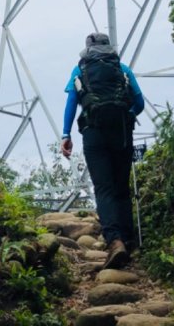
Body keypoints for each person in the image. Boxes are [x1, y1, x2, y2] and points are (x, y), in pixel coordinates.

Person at [60, 32, 144, 269]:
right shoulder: (122, 69)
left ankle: (114, 241)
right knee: (121, 188)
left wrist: (66, 135)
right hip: (122, 132)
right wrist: (126, 117)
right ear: (109, 47)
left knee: (104, 188)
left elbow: (71, 104)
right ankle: (129, 240)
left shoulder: (79, 71)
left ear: (86, 49)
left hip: (93, 132)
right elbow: (139, 103)